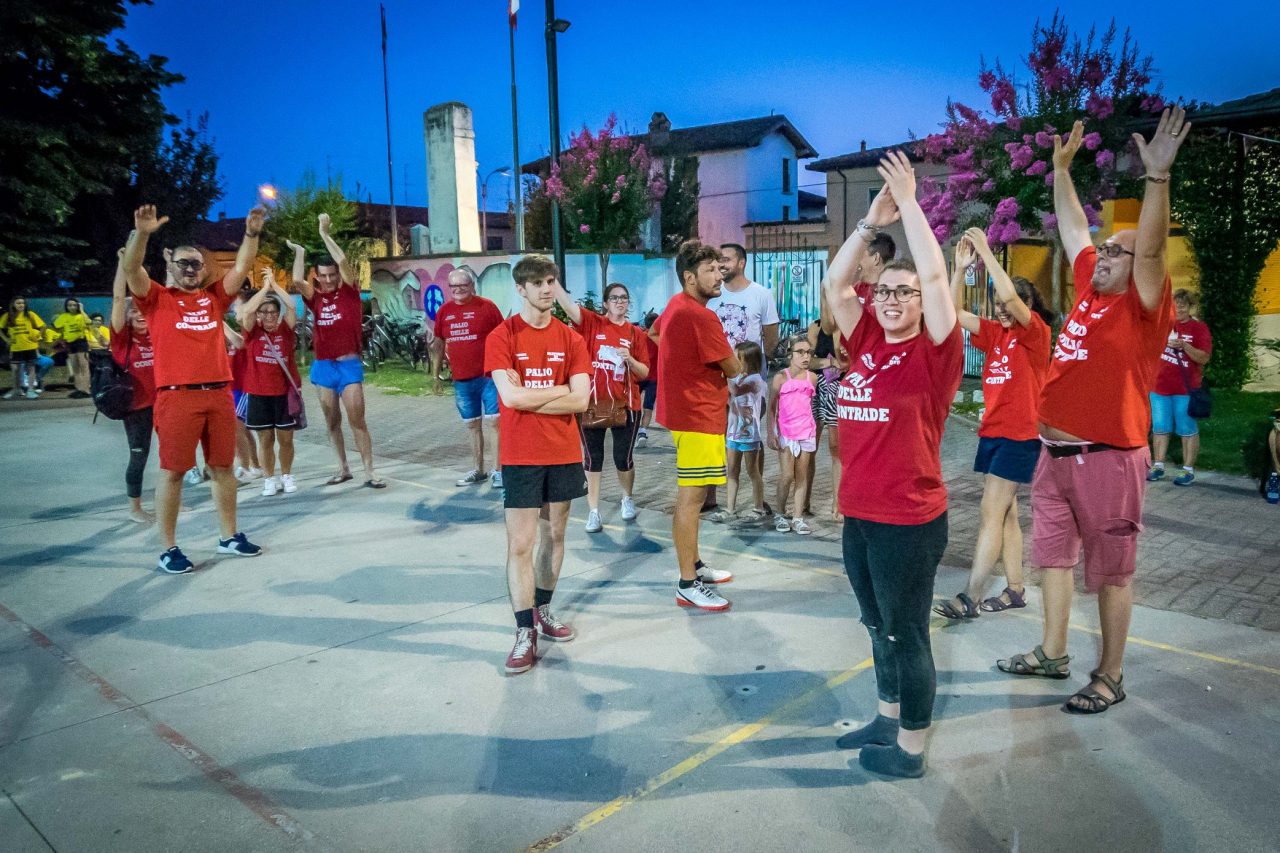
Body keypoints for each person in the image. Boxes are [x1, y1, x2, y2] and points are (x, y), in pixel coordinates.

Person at [997, 110, 1187, 715]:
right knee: (1051, 558)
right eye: (1105, 250)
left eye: (1116, 252)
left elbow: (1151, 251)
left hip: (1108, 460)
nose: (1102, 255)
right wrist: (1059, 171)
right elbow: (1075, 227)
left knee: (1111, 574)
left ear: (1138, 271)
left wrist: (1156, 180)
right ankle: (1053, 653)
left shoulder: (1144, 307)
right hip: (1053, 456)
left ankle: (1109, 674)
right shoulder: (1090, 288)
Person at [824, 153, 963, 779]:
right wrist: (866, 224)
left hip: (908, 520)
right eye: (885, 292)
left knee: (908, 634)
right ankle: (886, 716)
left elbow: (935, 283)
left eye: (903, 294)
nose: (891, 301)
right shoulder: (869, 341)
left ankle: (911, 748)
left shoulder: (935, 352)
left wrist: (909, 206)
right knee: (876, 626)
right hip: (861, 513)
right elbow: (833, 287)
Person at [122, 203, 265, 574]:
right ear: (169, 265)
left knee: (223, 467)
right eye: (183, 263)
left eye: (196, 264)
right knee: (172, 471)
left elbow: (242, 268)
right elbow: (131, 269)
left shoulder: (213, 298)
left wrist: (251, 234)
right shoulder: (155, 300)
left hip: (218, 393)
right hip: (177, 395)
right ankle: (168, 548)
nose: (190, 269)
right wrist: (142, 233)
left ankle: (228, 536)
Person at [934, 228, 1053, 620]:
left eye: (1009, 305)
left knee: (991, 512)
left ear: (1028, 305)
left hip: (1019, 435)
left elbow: (1011, 299)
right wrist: (958, 269)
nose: (1002, 309)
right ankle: (1016, 588)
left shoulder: (1035, 334)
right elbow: (952, 315)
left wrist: (986, 251)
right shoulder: (996, 335)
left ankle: (970, 596)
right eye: (998, 306)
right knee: (1007, 514)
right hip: (995, 432)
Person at [483, 254, 591, 675]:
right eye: (538, 283)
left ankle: (543, 610)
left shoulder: (572, 339)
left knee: (556, 535)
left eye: (551, 281)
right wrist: (560, 389)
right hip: (521, 456)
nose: (547, 288)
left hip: (563, 452)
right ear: (521, 289)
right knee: (521, 545)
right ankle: (524, 631)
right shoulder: (502, 336)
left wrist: (533, 394)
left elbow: (582, 400)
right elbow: (509, 400)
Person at [651, 240, 741, 610]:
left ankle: (695, 565)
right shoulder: (702, 316)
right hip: (699, 416)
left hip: (685, 413)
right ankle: (687, 583)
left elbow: (654, 334)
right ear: (690, 278)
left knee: (695, 497)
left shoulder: (676, 305)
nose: (719, 274)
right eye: (710, 270)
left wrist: (681, 369)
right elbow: (733, 367)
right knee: (692, 501)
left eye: (720, 268)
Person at [286, 214, 384, 489]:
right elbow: (296, 280)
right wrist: (300, 254)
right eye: (323, 276)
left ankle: (369, 471)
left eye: (332, 276)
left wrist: (325, 234)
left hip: (348, 366)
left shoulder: (350, 294)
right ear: (317, 276)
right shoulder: (315, 297)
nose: (328, 280)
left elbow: (342, 261)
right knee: (332, 420)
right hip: (323, 367)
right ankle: (342, 468)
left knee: (357, 419)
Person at [553, 280, 650, 532]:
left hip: (626, 405)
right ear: (605, 303)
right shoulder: (593, 324)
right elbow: (568, 307)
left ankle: (627, 498)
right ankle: (593, 511)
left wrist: (629, 359)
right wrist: (552, 282)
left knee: (623, 457)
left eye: (624, 298)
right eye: (615, 298)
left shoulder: (635, 333)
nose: (620, 302)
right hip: (592, 403)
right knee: (593, 458)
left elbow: (645, 372)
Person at [704, 243, 779, 511]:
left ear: (742, 262)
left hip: (749, 382)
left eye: (726, 259)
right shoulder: (712, 294)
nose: (721, 264)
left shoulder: (761, 294)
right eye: (718, 259)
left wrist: (754, 366)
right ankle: (711, 495)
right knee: (717, 435)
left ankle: (758, 498)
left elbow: (770, 337)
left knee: (750, 435)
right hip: (716, 379)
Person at [431, 267, 505, 487]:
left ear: (472, 285)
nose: (458, 289)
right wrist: (436, 376)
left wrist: (505, 368)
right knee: (472, 425)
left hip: (488, 376)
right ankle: (478, 469)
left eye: (463, 285)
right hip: (461, 380)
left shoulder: (487, 307)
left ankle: (498, 471)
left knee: (495, 422)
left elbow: (503, 337)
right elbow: (438, 344)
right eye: (454, 286)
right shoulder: (444, 311)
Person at [238, 272, 302, 497]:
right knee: (265, 439)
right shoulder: (252, 332)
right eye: (263, 312)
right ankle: (269, 478)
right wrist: (264, 290)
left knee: (286, 438)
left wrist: (274, 285)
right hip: (258, 393)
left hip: (284, 393)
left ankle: (286, 475)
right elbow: (246, 311)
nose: (268, 316)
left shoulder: (285, 330)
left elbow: (292, 306)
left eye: (273, 311)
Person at [109, 237, 158, 523]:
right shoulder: (122, 339)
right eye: (134, 312)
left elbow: (148, 293)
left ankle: (170, 498)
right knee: (139, 455)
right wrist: (121, 265)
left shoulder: (154, 334)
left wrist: (136, 267)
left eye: (142, 312)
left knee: (172, 456)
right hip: (137, 407)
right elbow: (118, 298)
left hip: (162, 400)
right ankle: (135, 508)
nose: (140, 315)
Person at [1148, 289, 1212, 486]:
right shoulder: (1163, 325)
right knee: (1160, 428)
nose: (1179, 309)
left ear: (1191, 307)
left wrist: (1184, 346)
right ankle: (1158, 466)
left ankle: (1188, 470)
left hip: (1185, 389)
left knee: (1187, 429)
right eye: (1176, 305)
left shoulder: (1199, 329)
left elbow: (1204, 357)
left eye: (1183, 305)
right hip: (1159, 387)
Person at [710, 340, 767, 524]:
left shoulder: (756, 380)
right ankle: (730, 509)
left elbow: (736, 390)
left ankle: (758, 508)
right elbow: (728, 398)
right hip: (733, 432)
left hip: (750, 434)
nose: (733, 361)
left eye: (737, 358)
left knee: (753, 471)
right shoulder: (737, 379)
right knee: (732, 472)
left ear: (749, 361)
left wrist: (722, 373)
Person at [767, 336, 819, 535]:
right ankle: (780, 512)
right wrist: (771, 432)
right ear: (790, 354)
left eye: (808, 352)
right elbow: (772, 408)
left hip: (806, 431)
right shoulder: (781, 377)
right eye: (800, 352)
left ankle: (798, 516)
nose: (805, 356)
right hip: (786, 432)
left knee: (801, 476)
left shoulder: (811, 378)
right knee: (787, 475)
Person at [226, 324, 264, 484]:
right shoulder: (224, 341)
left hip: (242, 388)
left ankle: (245, 467)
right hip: (230, 388)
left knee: (237, 428)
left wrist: (220, 322)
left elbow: (241, 342)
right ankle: (255, 465)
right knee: (243, 430)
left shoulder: (243, 335)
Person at [1, 297, 45, 399]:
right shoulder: (8, 316)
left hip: (30, 346)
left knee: (31, 368)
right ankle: (16, 389)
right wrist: (6, 339)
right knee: (15, 368)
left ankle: (30, 390)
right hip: (16, 347)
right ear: (13, 305)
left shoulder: (30, 315)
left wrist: (37, 336)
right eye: (18, 303)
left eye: (23, 303)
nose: (21, 305)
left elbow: (43, 326)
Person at [53, 298, 92, 397]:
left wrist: (82, 310)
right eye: (70, 305)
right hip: (70, 343)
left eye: (74, 305)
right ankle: (79, 389)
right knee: (75, 367)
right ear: (66, 306)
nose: (72, 307)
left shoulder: (81, 315)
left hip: (81, 342)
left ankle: (86, 389)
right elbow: (56, 325)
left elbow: (88, 322)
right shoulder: (64, 316)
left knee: (84, 366)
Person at [635, 310, 660, 445]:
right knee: (648, 406)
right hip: (653, 378)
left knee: (635, 405)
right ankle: (643, 431)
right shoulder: (660, 339)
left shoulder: (640, 336)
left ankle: (632, 429)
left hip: (639, 375)